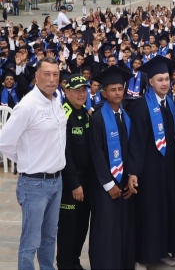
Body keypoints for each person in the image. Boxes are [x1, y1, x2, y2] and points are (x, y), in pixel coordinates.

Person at [0, 57, 65, 270]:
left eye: (55, 74)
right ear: (36, 77)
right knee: (30, 242)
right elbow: (5, 142)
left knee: (49, 238)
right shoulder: (27, 105)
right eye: (46, 74)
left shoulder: (56, 100)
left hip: (56, 181)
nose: (51, 79)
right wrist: (26, 160)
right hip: (34, 184)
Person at [127, 55, 175, 269]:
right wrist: (134, 171)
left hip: (167, 168)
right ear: (150, 82)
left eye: (167, 79)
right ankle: (145, 256)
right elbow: (136, 143)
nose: (165, 83)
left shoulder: (169, 103)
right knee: (149, 213)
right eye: (160, 79)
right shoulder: (141, 106)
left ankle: (163, 251)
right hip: (149, 170)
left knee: (166, 210)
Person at [88, 65, 136, 270]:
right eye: (113, 89)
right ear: (104, 93)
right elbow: (95, 153)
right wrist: (109, 183)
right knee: (106, 229)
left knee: (123, 228)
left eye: (120, 89)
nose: (118, 93)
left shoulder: (125, 116)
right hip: (104, 186)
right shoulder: (98, 118)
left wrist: (131, 175)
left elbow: (132, 148)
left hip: (124, 182)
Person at [57, 75, 92, 270]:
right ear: (67, 91)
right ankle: (64, 264)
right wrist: (74, 184)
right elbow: (65, 153)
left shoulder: (85, 114)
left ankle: (75, 262)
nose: (81, 94)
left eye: (84, 90)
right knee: (68, 229)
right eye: (77, 90)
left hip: (86, 180)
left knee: (81, 226)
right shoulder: (65, 114)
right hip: (70, 183)